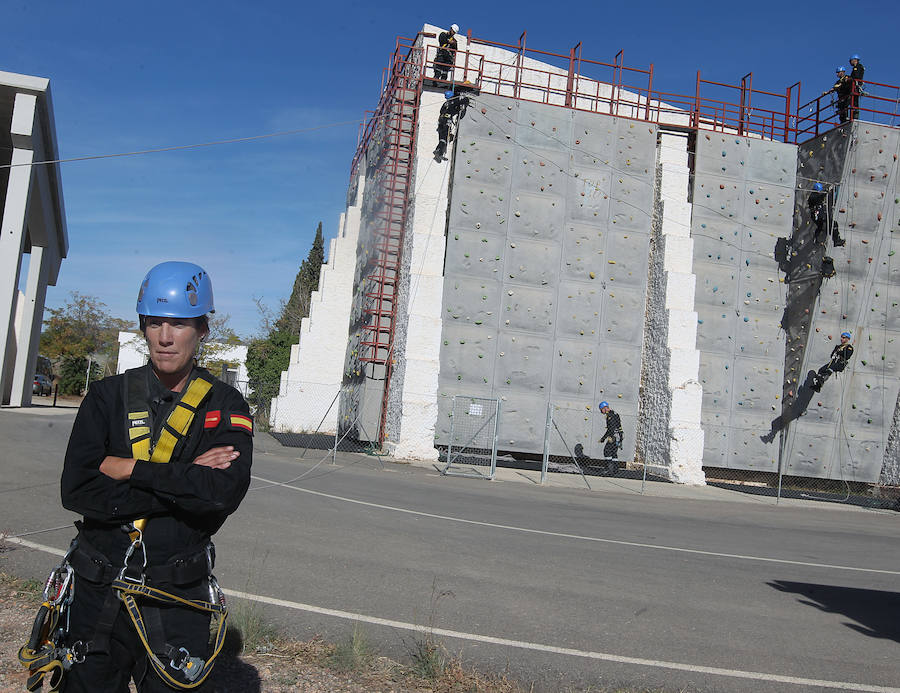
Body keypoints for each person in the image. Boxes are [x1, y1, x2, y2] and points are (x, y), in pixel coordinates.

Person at [28, 261, 253, 692]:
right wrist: (184, 479)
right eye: (155, 323)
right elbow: (78, 490)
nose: (165, 337)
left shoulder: (225, 405)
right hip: (96, 589)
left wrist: (131, 469)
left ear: (202, 330)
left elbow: (221, 493)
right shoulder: (107, 397)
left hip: (177, 597)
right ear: (143, 327)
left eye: (180, 324)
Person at [434, 90, 469, 159]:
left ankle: (439, 151)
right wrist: (464, 99)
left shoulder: (445, 103)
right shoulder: (455, 102)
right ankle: (439, 151)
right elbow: (465, 101)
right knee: (445, 137)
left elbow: (441, 111)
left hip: (441, 122)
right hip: (447, 122)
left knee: (442, 138)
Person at [808, 182, 844, 247]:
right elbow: (819, 197)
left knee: (821, 227)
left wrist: (828, 191)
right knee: (833, 224)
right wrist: (825, 192)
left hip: (819, 215)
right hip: (818, 215)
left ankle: (817, 239)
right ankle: (836, 240)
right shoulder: (813, 196)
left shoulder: (815, 196)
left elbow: (820, 198)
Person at [598, 401, 623, 471]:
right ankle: (615, 469)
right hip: (619, 435)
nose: (601, 411)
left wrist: (604, 438)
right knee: (614, 452)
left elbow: (610, 429)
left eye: (601, 410)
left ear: (605, 408)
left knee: (607, 451)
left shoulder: (609, 416)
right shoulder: (615, 413)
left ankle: (608, 469)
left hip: (613, 436)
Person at [848, 54, 865, 120]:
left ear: (855, 60)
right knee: (852, 101)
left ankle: (854, 116)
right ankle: (853, 115)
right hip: (854, 86)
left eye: (851, 61)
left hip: (855, 86)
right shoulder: (857, 67)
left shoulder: (858, 67)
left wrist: (850, 79)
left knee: (854, 101)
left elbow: (856, 76)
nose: (850, 62)